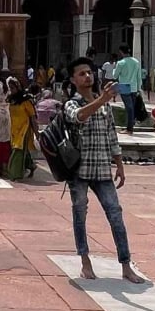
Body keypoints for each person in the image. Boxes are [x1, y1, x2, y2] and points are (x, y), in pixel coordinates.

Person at [63, 57, 143, 284]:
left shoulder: (104, 104)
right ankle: (84, 260)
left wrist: (119, 164)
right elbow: (79, 117)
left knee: (115, 214)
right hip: (79, 170)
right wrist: (102, 99)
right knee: (80, 213)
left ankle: (126, 264)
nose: (87, 76)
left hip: (101, 170)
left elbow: (111, 137)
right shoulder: (72, 103)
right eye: (81, 74)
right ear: (73, 80)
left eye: (89, 72)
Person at [112, 46, 145, 134]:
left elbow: (115, 76)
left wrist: (115, 68)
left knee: (129, 108)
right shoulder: (136, 62)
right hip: (134, 87)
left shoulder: (120, 63)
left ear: (121, 52)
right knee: (131, 108)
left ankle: (129, 128)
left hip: (124, 86)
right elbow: (139, 77)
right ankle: (130, 126)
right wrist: (139, 88)